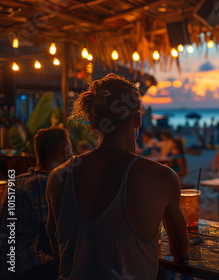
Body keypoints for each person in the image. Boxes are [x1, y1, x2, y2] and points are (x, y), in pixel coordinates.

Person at [46, 73, 188, 279]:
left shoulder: (58, 177)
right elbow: (180, 251)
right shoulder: (163, 178)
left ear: (93, 125)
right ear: (138, 118)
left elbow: (56, 247)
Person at [0, 128, 70, 280]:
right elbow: (53, 239)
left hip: (8, 267)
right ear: (63, 151)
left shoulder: (17, 181)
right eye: (68, 150)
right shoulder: (44, 183)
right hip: (28, 268)